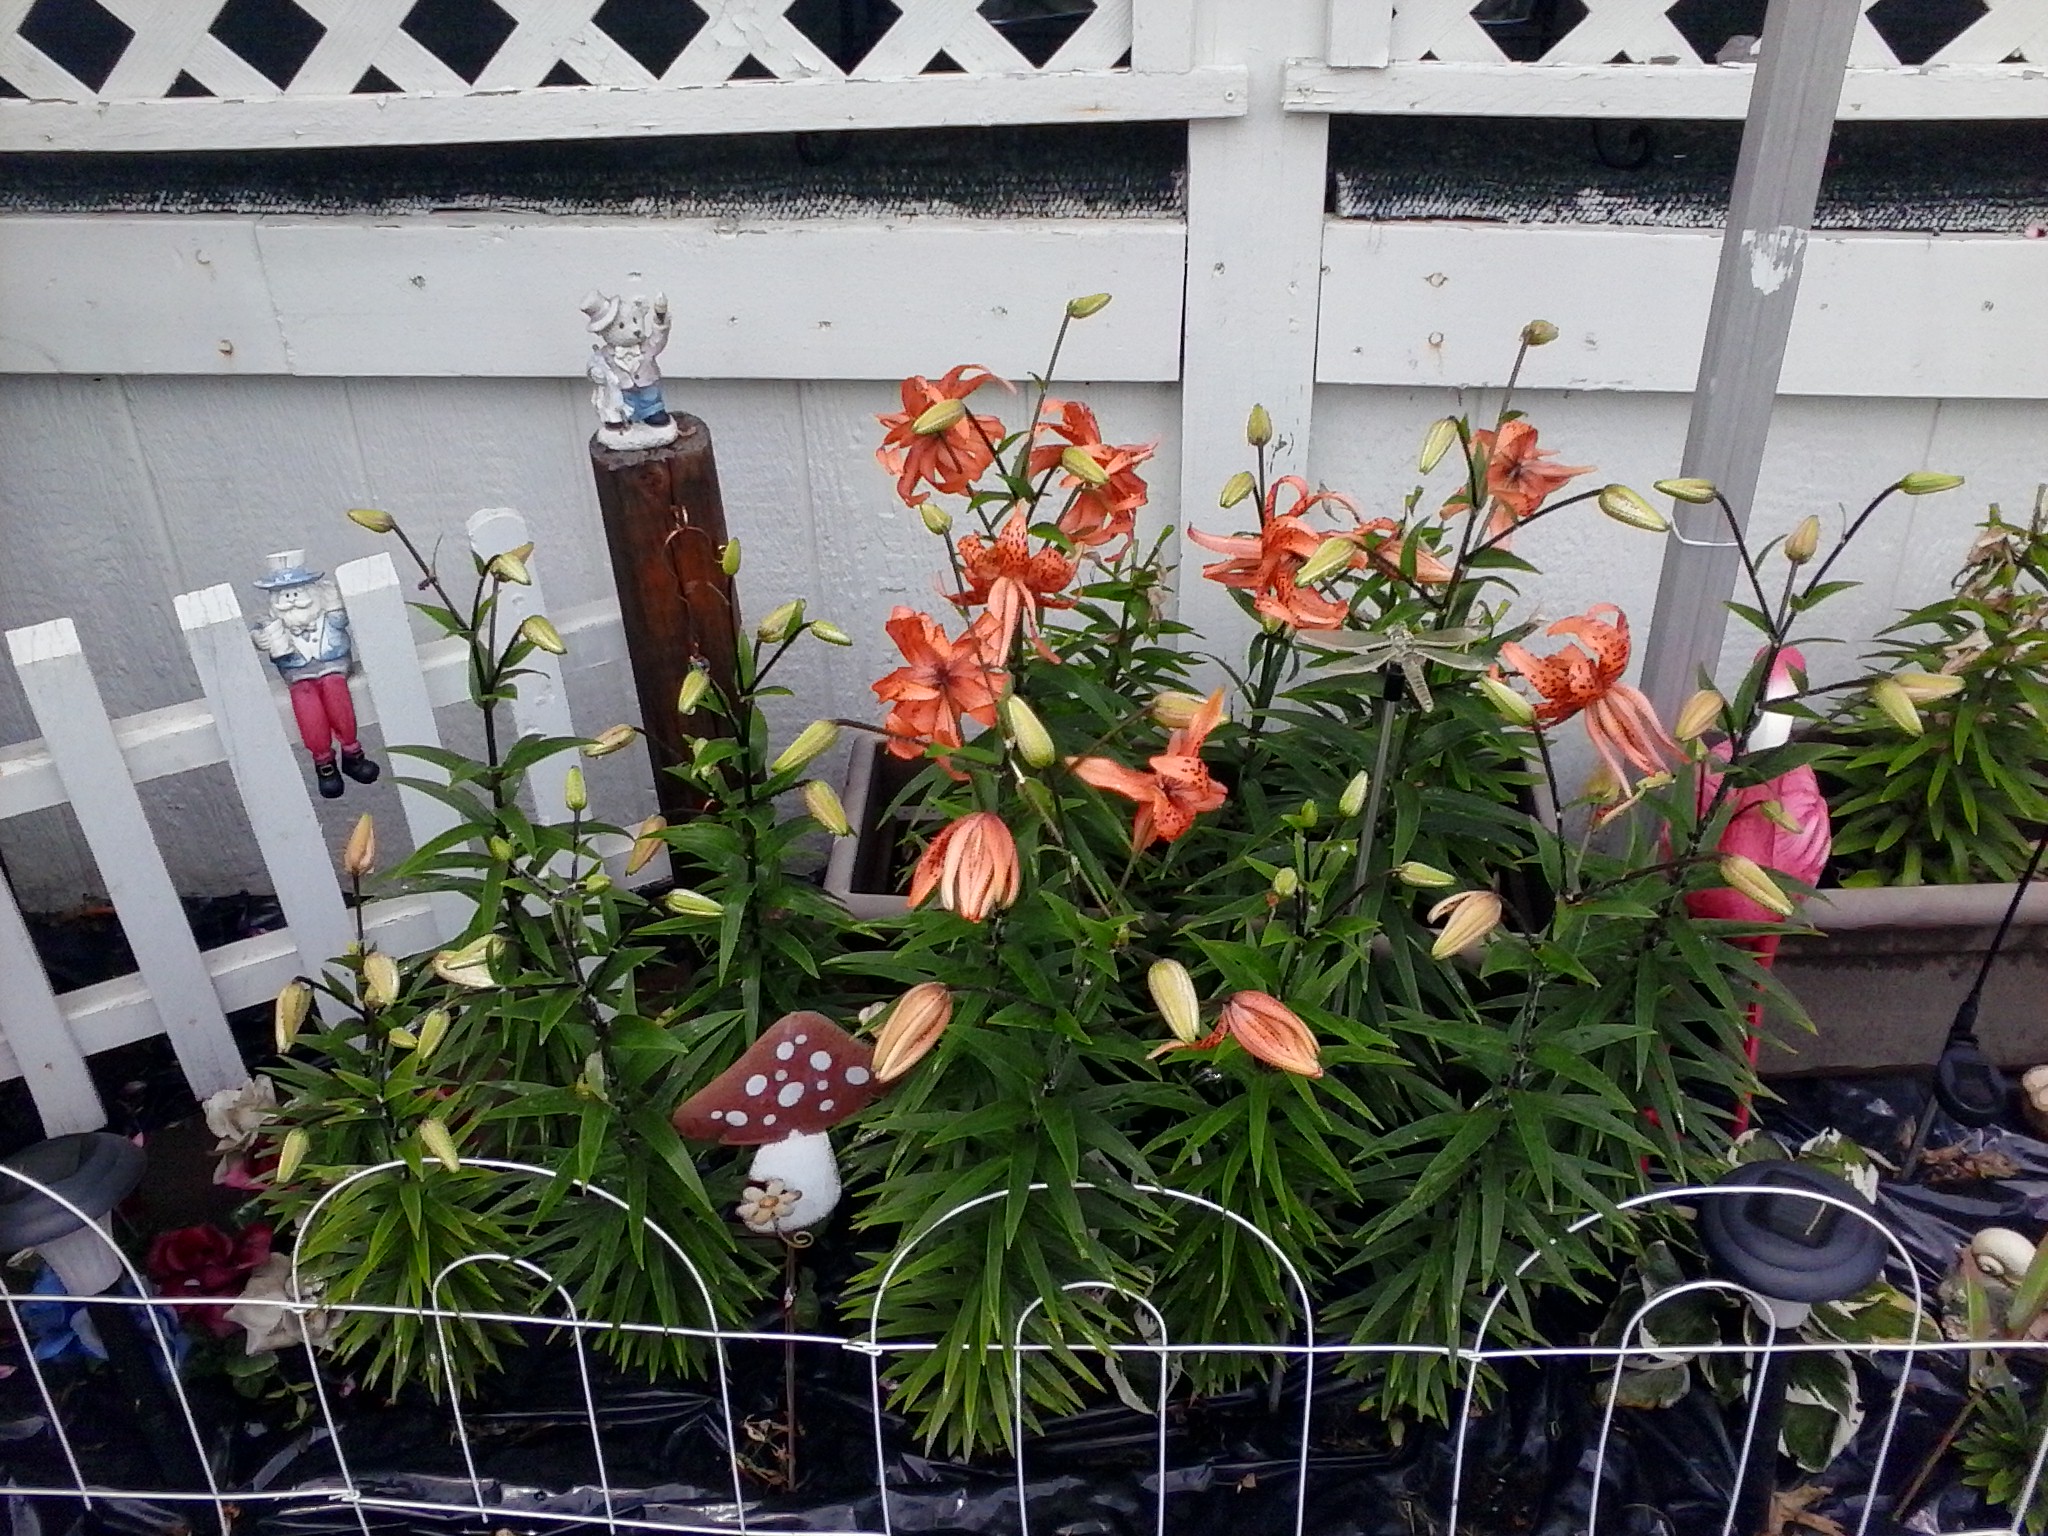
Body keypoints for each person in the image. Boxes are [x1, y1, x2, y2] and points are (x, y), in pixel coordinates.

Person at [250, 552, 380, 799]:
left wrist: (333, 601)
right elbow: (258, 633)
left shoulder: (325, 613)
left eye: (297, 592)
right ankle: (324, 763)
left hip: (332, 667)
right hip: (298, 674)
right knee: (307, 708)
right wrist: (260, 639)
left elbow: (340, 619)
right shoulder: (273, 623)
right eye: (284, 595)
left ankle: (352, 754)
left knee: (336, 695)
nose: (291, 599)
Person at [581, 289, 680, 451]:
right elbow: (594, 366)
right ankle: (623, 421)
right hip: (624, 392)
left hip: (648, 386)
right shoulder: (605, 354)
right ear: (604, 333)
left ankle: (652, 414)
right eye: (622, 326)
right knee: (624, 406)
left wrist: (660, 322)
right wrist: (595, 373)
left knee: (650, 401)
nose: (635, 329)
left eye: (635, 321)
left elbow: (659, 339)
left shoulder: (647, 347)